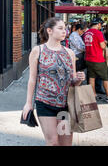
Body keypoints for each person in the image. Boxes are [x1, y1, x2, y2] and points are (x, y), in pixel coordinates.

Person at [22, 17, 85, 146]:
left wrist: (79, 79)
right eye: (60, 28)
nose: (64, 31)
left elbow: (72, 82)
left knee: (65, 143)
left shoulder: (70, 53)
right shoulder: (38, 51)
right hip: (45, 103)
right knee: (52, 142)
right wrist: (28, 103)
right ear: (49, 30)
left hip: (66, 105)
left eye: (65, 28)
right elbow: (32, 79)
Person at [83, 17, 108, 103]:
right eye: (100, 25)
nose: (101, 26)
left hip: (88, 58)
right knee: (105, 77)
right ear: (98, 24)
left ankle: (93, 95)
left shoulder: (86, 33)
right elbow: (102, 47)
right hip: (98, 59)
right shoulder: (98, 33)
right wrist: (105, 43)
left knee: (91, 77)